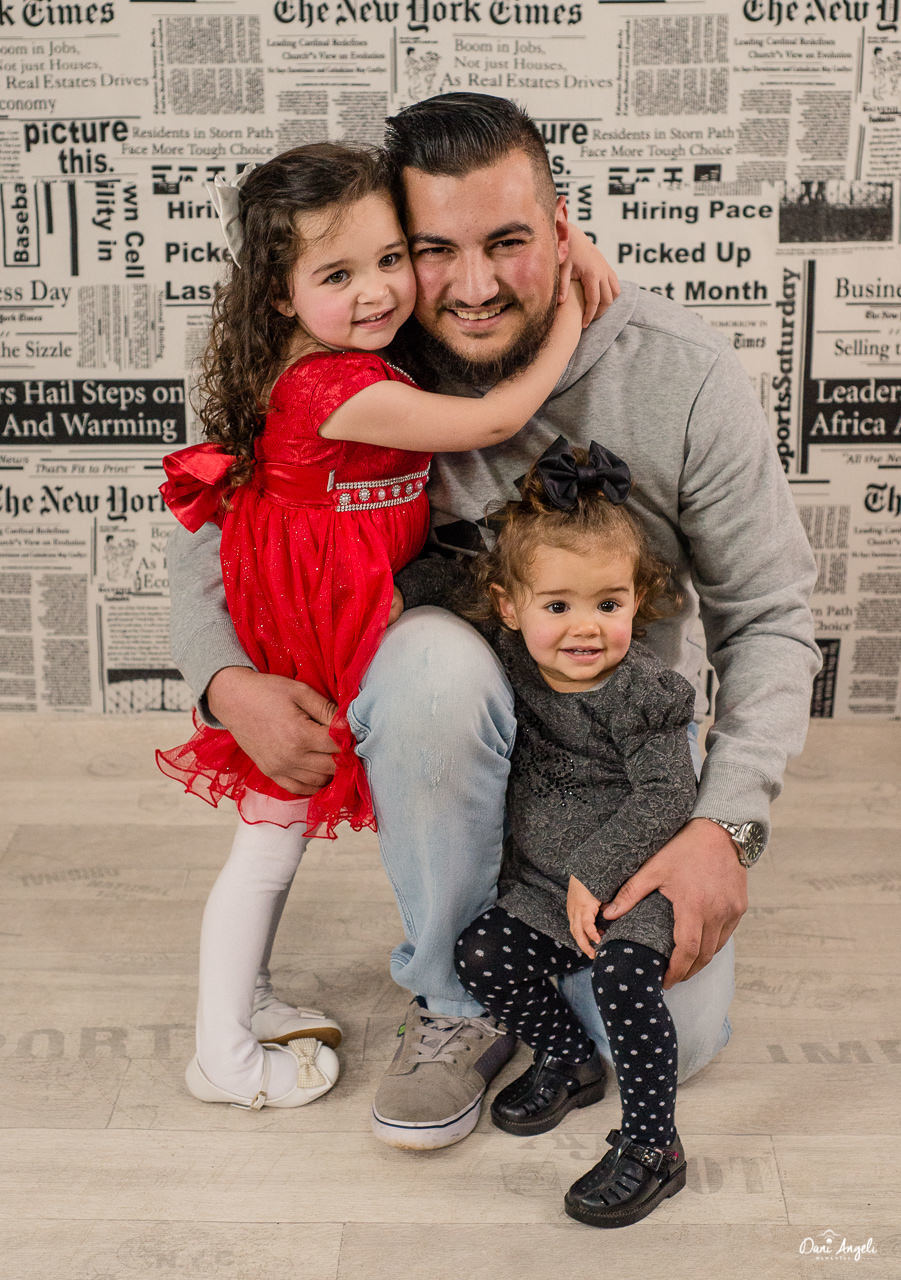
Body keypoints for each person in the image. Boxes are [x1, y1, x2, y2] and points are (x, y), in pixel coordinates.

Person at [165, 94, 820, 1148]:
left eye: (508, 242)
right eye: (435, 251)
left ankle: (530, 948)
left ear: (562, 229)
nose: (471, 288)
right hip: (450, 744)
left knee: (665, 1041)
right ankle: (450, 995)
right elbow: (222, 521)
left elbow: (773, 616)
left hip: (616, 767)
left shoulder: (683, 371)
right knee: (428, 657)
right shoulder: (369, 349)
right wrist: (225, 681)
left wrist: (724, 825)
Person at [156, 141, 593, 1112]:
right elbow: (494, 420)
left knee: (276, 840)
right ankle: (222, 1057)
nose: (378, 291)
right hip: (309, 640)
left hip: (336, 611)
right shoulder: (334, 387)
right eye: (337, 275)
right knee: (268, 842)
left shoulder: (352, 359)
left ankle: (248, 997)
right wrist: (567, 307)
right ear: (280, 295)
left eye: (391, 259)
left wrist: (564, 245)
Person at [396, 437, 695, 1225]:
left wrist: (596, 874)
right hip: (540, 883)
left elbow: (667, 794)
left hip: (629, 884)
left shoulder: (646, 693)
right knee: (480, 955)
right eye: (557, 606)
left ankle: (653, 1145)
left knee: (625, 981)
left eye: (608, 604)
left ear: (636, 599)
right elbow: (426, 581)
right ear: (510, 607)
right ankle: (566, 1057)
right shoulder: (508, 653)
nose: (584, 629)